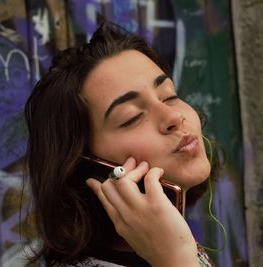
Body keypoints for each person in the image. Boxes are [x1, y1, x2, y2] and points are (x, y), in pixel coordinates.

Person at [24, 22, 218, 266]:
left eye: (169, 96)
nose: (174, 117)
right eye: (132, 117)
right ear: (87, 166)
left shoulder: (180, 246)